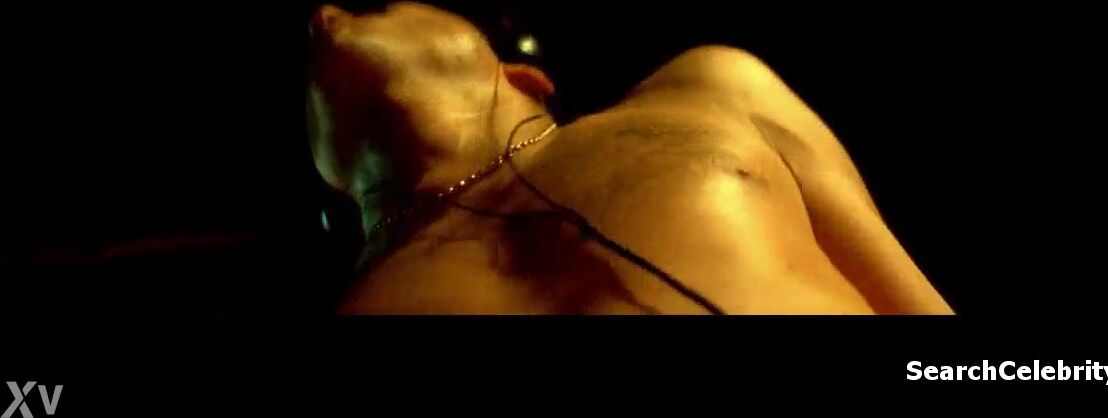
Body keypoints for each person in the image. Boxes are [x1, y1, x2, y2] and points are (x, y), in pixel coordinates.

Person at [307, 2, 953, 314]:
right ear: (331, 176)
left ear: (527, 78)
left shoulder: (708, 88)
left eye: (374, 7)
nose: (322, 13)